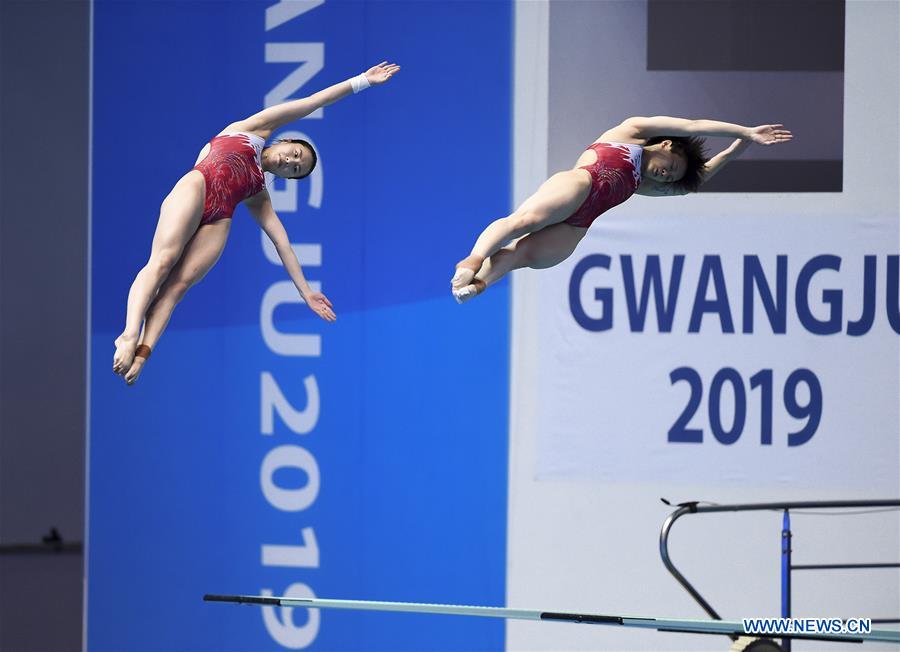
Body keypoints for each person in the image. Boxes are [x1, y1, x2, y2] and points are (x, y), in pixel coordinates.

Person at [112, 62, 401, 385]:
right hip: (198, 186)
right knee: (163, 261)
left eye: (295, 169)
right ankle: (129, 334)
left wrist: (305, 292)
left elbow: (282, 243)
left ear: (286, 177)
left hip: (219, 217)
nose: (290, 162)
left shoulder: (258, 194)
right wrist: (362, 81)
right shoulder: (253, 129)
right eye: (295, 154)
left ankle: (142, 355)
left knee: (176, 289)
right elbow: (313, 102)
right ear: (284, 141)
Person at [450, 117, 792, 302]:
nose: (666, 175)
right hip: (579, 185)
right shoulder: (631, 132)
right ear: (667, 144)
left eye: (671, 177)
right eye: (671, 166)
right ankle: (471, 261)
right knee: (524, 221)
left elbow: (696, 181)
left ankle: (476, 286)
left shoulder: (642, 184)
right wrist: (745, 131)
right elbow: (693, 126)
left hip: (579, 223)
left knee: (522, 255)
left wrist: (734, 151)